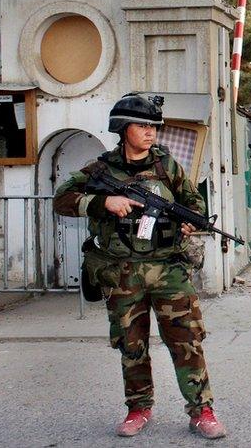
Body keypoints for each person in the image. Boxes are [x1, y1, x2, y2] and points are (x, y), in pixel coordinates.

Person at [52, 93, 227, 439]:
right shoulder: (100, 169)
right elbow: (62, 199)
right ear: (122, 128)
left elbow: (193, 202)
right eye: (143, 125)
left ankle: (202, 411)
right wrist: (103, 202)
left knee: (187, 340)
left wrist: (191, 221)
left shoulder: (167, 166)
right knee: (131, 345)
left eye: (154, 127)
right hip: (122, 272)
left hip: (168, 269)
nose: (151, 132)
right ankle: (138, 408)